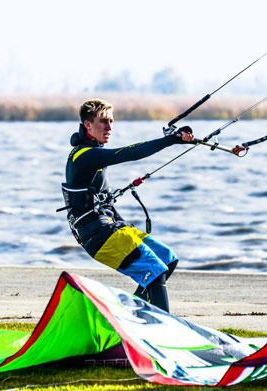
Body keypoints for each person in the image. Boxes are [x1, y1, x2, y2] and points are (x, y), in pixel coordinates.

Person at [60, 99, 194, 312]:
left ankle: (132, 316)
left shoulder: (92, 151)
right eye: (103, 121)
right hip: (97, 233)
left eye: (111, 121)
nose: (109, 127)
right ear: (87, 125)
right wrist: (170, 140)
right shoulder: (84, 155)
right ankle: (163, 328)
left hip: (111, 225)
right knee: (154, 270)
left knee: (167, 259)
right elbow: (128, 153)